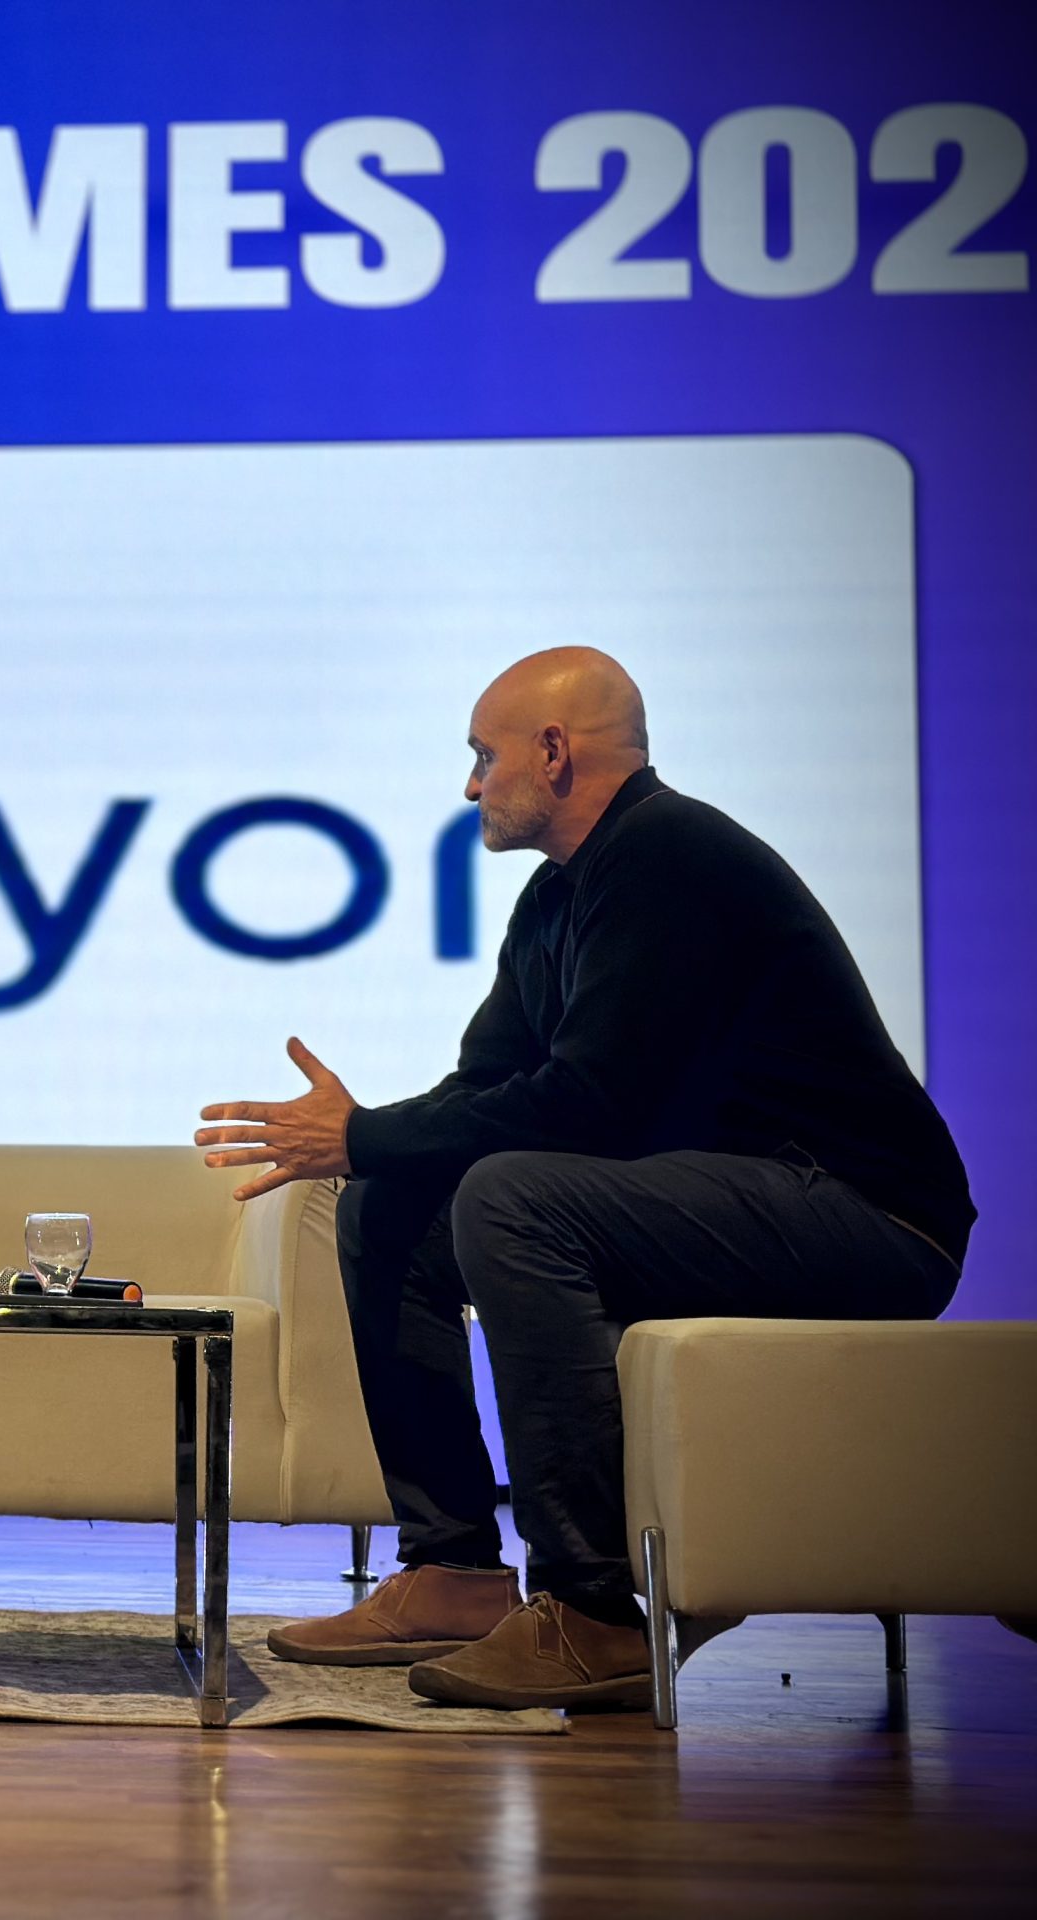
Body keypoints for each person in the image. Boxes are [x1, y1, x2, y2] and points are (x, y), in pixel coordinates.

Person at [195, 648, 972, 1711]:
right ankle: (455, 1570)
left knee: (511, 1196)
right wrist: (367, 1144)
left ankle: (594, 1609)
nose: (469, 784)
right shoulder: (559, 897)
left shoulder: (669, 856)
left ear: (553, 752)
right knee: (394, 1205)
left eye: (484, 755)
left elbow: (590, 1105)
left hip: (865, 1214)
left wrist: (365, 1131)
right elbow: (489, 1087)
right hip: (740, 1198)